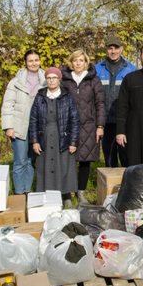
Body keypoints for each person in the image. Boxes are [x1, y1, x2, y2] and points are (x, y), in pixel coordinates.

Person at [29, 67, 81, 208]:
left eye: (54, 78)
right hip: (44, 135)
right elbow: (33, 120)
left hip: (63, 135)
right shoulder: (40, 97)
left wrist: (73, 142)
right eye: (49, 78)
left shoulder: (67, 96)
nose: (51, 80)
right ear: (46, 80)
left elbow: (74, 120)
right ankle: (46, 196)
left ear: (59, 79)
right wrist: (34, 141)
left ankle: (66, 196)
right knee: (46, 166)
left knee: (64, 165)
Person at [59, 49, 105, 203]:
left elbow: (100, 103)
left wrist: (100, 126)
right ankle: (66, 194)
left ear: (86, 63)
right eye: (75, 60)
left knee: (85, 160)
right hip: (68, 125)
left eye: (81, 60)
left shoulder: (94, 80)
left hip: (89, 125)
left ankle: (81, 192)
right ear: (71, 63)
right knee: (67, 159)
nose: (78, 63)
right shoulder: (64, 80)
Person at [1, 49, 47, 195]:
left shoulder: (46, 80)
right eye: (30, 61)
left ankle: (28, 191)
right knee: (20, 160)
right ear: (25, 63)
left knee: (31, 160)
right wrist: (9, 127)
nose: (34, 63)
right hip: (19, 126)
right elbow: (8, 104)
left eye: (36, 60)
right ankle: (19, 192)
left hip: (37, 127)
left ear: (40, 61)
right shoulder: (16, 82)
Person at [94, 36, 137, 167]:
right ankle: (111, 183)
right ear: (106, 50)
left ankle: (126, 182)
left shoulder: (131, 69)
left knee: (126, 154)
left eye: (116, 48)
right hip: (105, 119)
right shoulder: (97, 69)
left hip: (124, 120)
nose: (113, 51)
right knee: (109, 154)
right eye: (110, 48)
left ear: (121, 49)